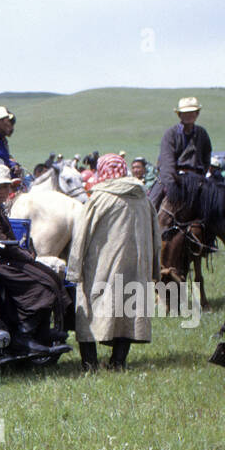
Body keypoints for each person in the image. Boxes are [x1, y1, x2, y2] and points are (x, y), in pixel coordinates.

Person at [0, 164, 70, 352]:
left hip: (1, 258)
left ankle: (41, 331)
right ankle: (24, 335)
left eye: (5, 186)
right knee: (40, 284)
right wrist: (24, 255)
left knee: (48, 275)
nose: (2, 191)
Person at [67, 154, 158, 372]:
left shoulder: (99, 199)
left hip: (101, 266)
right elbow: (156, 237)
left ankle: (89, 363)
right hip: (136, 267)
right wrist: (154, 268)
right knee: (128, 309)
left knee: (88, 307)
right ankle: (118, 362)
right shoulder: (143, 199)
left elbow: (81, 235)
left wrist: (74, 269)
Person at [149, 97, 212, 211]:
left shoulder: (202, 133)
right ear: (179, 115)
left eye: (191, 112)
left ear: (197, 114)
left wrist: (201, 176)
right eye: (185, 113)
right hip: (174, 177)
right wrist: (171, 184)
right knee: (152, 203)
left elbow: (206, 157)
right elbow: (167, 162)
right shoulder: (171, 134)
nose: (188, 115)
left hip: (196, 178)